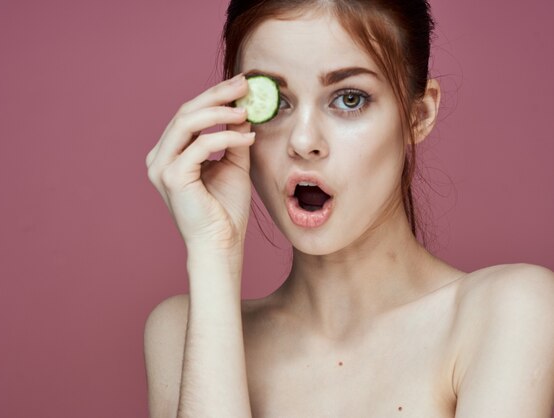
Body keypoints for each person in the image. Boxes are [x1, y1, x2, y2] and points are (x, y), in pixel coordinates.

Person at [144, 0, 554, 416]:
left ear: (419, 114)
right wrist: (214, 252)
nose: (303, 141)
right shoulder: (182, 332)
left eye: (350, 98)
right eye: (277, 102)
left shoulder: (510, 312)